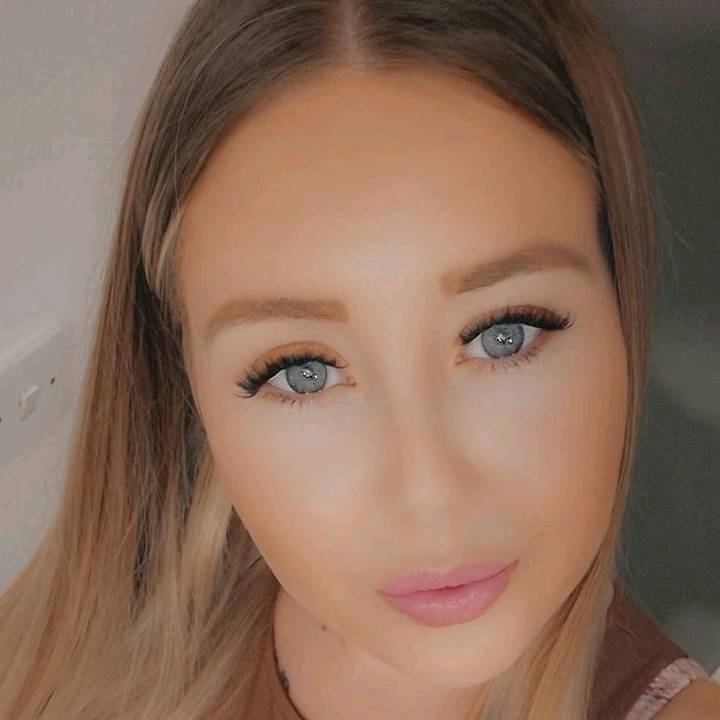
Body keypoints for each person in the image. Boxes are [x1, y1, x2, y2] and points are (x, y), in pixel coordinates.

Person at [1, 1, 718, 718]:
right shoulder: (48, 662)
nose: (429, 497)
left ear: (617, 302)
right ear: (183, 378)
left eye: (503, 335)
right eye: (302, 372)